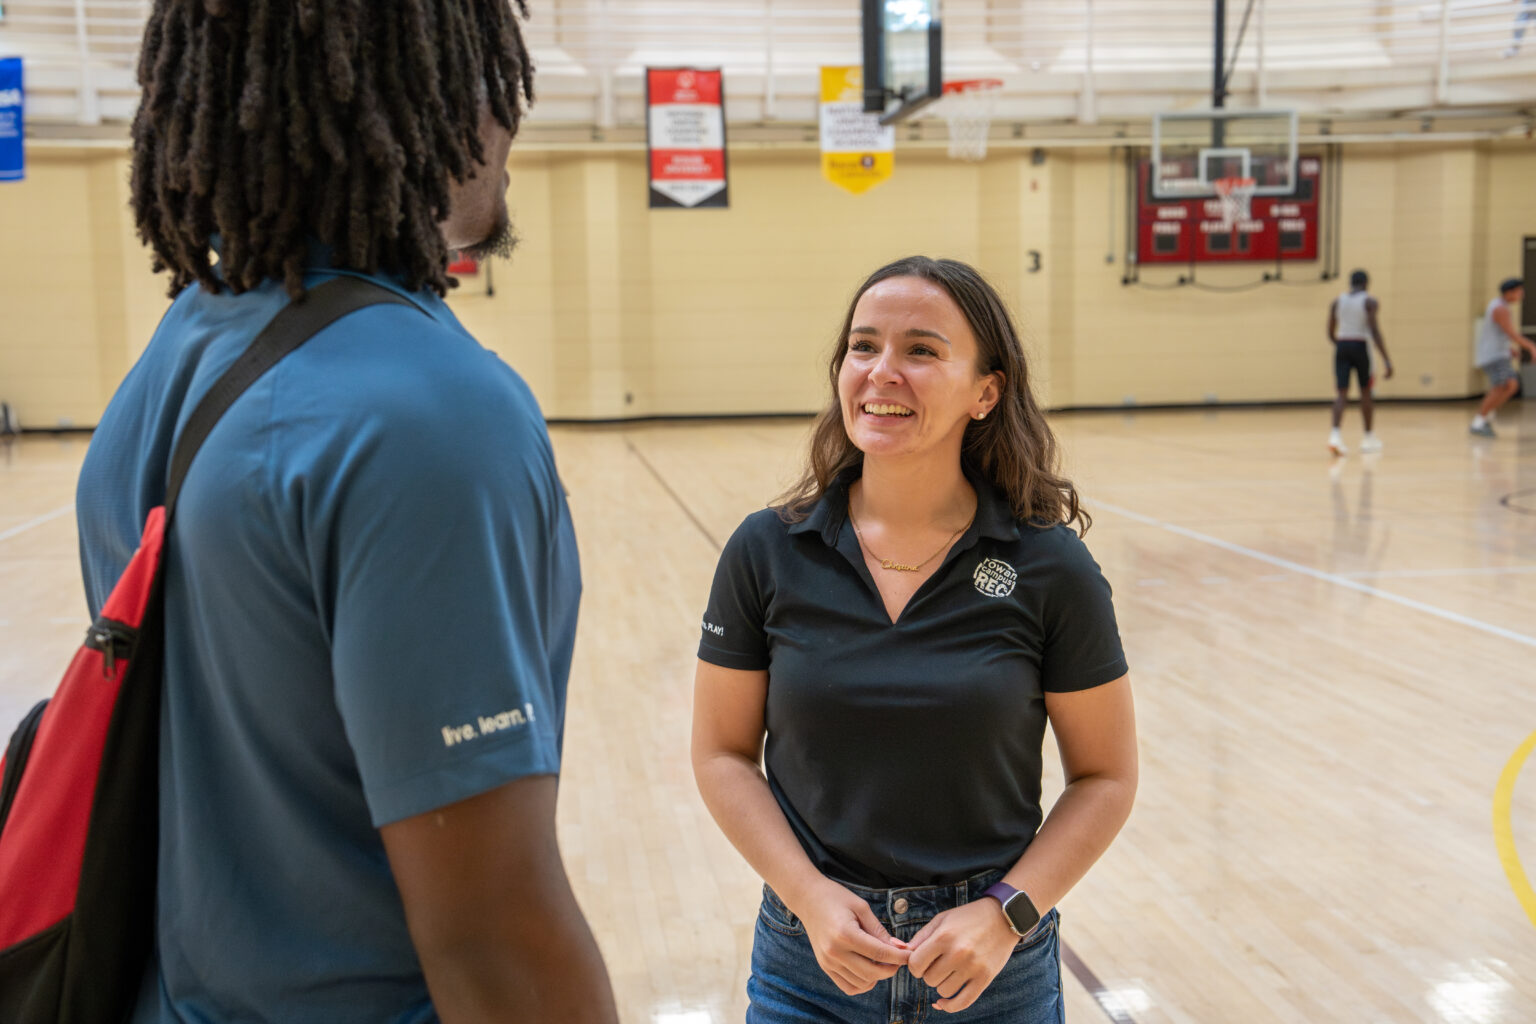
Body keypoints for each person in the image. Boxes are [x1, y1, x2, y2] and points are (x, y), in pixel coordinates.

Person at [74, 3, 618, 1022]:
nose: (516, 111)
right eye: (495, 63)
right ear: (435, 86)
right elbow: (495, 934)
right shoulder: (428, 413)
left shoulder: (174, 356)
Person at [691, 256, 1137, 1023]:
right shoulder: (766, 551)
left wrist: (1006, 913)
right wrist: (810, 897)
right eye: (864, 347)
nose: (881, 372)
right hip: (812, 964)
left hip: (992, 969)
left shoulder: (1047, 564)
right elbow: (721, 754)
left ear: (986, 392)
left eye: (921, 351)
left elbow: (1105, 778)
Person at [1326, 269, 1393, 456]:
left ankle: (1335, 435)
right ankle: (1368, 438)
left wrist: (1340, 345)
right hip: (1360, 345)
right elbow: (1375, 331)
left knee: (1341, 393)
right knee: (1365, 392)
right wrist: (1386, 360)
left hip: (1342, 345)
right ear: (1366, 283)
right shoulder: (1369, 302)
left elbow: (1330, 330)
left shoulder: (1337, 301)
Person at [1470, 277, 1534, 437]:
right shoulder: (1500, 309)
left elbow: (1500, 334)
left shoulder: (1501, 306)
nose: (1521, 294)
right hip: (1494, 356)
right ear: (1510, 292)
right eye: (1519, 291)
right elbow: (1511, 333)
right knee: (1503, 386)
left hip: (1498, 354)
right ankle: (1479, 421)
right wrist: (1531, 347)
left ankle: (1485, 416)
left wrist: (1509, 349)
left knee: (1510, 386)